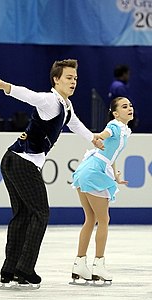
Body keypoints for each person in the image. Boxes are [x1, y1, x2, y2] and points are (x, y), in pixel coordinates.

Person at [0, 59, 104, 287]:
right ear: (56, 79)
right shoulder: (50, 100)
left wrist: (93, 138)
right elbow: (30, 96)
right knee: (40, 214)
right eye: (68, 78)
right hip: (22, 162)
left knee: (24, 215)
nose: (73, 82)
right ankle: (25, 270)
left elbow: (75, 124)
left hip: (12, 159)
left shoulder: (66, 106)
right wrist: (5, 87)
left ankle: (10, 272)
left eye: (75, 78)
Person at [71, 96, 134, 283]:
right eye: (124, 106)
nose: (129, 108)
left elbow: (110, 155)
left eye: (130, 105)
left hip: (87, 169)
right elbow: (103, 135)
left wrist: (116, 176)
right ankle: (98, 265)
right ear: (115, 113)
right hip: (94, 171)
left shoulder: (123, 130)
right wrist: (97, 137)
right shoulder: (114, 126)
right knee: (104, 220)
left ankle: (79, 265)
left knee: (90, 219)